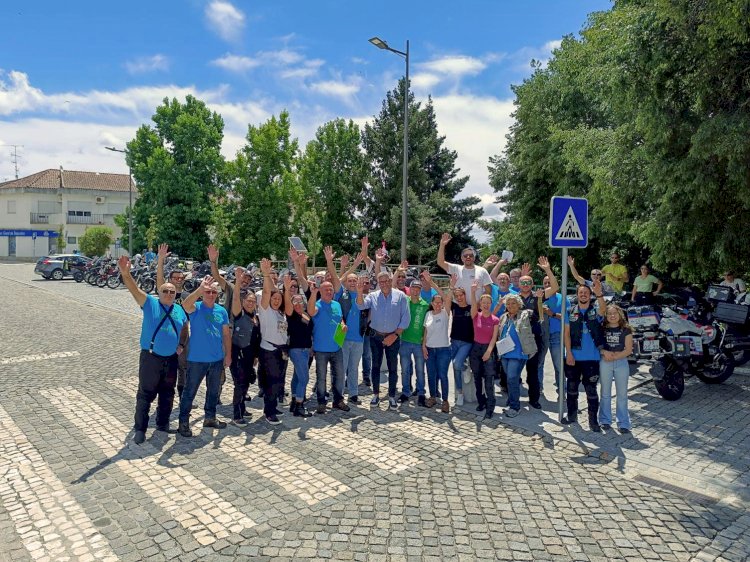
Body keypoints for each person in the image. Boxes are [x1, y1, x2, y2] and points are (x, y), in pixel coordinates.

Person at [118, 255, 187, 443]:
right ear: (159, 291)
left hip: (171, 358)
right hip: (151, 357)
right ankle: (140, 428)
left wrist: (181, 345)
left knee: (168, 392)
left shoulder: (179, 310)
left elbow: (185, 329)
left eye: (172, 292)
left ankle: (163, 423)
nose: (168, 294)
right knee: (145, 393)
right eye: (165, 291)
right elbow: (133, 288)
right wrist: (126, 273)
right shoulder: (150, 303)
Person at [177, 275, 232, 437]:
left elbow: (226, 335)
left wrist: (228, 355)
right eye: (208, 292)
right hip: (196, 359)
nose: (211, 295)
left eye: (214, 292)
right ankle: (183, 422)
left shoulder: (221, 311)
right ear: (203, 293)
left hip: (216, 359)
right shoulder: (197, 307)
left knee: (213, 391)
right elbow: (185, 304)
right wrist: (199, 289)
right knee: (190, 392)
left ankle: (210, 417)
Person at [356, 271, 411, 410]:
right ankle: (375, 394)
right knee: (375, 366)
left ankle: (392, 396)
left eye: (387, 281)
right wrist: (359, 291)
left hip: (394, 337)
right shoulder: (372, 296)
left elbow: (406, 318)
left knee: (393, 368)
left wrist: (395, 335)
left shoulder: (401, 296)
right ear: (378, 283)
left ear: (391, 280)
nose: (384, 284)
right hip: (376, 337)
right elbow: (361, 306)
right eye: (381, 282)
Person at [563, 281, 608, 432]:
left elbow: (604, 308)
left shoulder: (595, 311)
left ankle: (593, 421)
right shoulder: (570, 311)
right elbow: (567, 334)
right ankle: (572, 415)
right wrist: (568, 353)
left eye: (586, 293)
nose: (583, 295)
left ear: (590, 295)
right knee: (571, 388)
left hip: (592, 358)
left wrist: (599, 293)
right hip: (573, 357)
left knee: (591, 391)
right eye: (581, 292)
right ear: (577, 295)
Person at [517, 257, 559, 409]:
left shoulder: (538, 296)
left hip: (535, 338)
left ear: (533, 284)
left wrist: (547, 269)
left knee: (533, 371)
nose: (526, 284)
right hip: (517, 339)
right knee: (514, 371)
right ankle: (513, 399)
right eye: (523, 282)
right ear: (518, 284)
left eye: (528, 282)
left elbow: (555, 287)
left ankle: (534, 399)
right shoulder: (515, 297)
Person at [308, 276, 349, 414]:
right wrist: (313, 294)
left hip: (336, 347)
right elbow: (311, 311)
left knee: (339, 376)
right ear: (320, 291)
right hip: (321, 349)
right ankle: (321, 402)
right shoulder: (317, 305)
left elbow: (340, 319)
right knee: (321, 378)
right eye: (326, 289)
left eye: (331, 289)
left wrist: (343, 325)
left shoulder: (336, 304)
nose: (329, 291)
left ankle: (338, 400)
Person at [257, 258, 289, 425]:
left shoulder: (281, 313)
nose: (276, 300)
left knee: (278, 381)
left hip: (281, 351)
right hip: (268, 350)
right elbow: (267, 292)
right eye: (274, 298)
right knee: (272, 381)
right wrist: (266, 274)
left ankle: (273, 406)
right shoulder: (265, 309)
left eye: (279, 299)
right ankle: (269, 412)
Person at [228, 267, 260, 425]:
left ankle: (242, 407)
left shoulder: (256, 317)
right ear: (243, 302)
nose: (250, 303)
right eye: (248, 301)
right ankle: (236, 414)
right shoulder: (239, 314)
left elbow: (255, 339)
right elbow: (234, 299)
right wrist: (238, 282)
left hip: (249, 356)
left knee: (246, 383)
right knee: (239, 384)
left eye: (253, 301)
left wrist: (255, 356)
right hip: (237, 354)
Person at [497, 294, 537, 418]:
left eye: (513, 303)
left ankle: (515, 406)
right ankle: (511, 401)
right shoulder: (504, 317)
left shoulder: (524, 315)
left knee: (512, 378)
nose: (510, 306)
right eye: (508, 304)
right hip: (505, 353)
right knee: (510, 378)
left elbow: (535, 315)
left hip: (519, 353)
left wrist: (538, 301)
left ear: (519, 304)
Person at [282, 274, 314, 418]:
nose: (298, 304)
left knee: (297, 376)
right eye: (295, 302)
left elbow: (310, 333)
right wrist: (288, 290)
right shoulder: (291, 315)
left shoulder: (307, 315)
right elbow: (288, 305)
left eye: (300, 301)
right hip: (296, 349)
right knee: (304, 378)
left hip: (307, 350)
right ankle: (300, 405)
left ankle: (295, 401)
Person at [598, 304, 633, 433]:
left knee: (622, 394)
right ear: (606, 316)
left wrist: (617, 356)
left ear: (619, 314)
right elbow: (597, 344)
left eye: (615, 313)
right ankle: (605, 420)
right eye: (609, 313)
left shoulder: (626, 329)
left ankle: (623, 422)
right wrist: (604, 353)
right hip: (605, 361)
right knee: (605, 392)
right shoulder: (602, 328)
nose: (612, 316)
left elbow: (628, 349)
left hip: (621, 362)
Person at [335, 271, 369, 405]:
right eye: (350, 280)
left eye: (355, 280)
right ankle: (339, 394)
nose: (353, 282)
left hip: (359, 339)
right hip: (343, 337)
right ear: (346, 283)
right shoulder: (341, 296)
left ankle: (353, 394)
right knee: (341, 368)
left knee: (354, 368)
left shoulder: (364, 297)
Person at [422, 278, 454, 413]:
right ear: (432, 303)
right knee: (431, 374)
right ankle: (433, 396)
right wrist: (423, 346)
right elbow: (425, 331)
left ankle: (445, 400)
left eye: (440, 302)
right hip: (429, 349)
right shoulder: (428, 314)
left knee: (442, 375)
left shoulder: (445, 313)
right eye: (436, 302)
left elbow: (447, 297)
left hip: (443, 350)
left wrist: (431, 282)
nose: (438, 304)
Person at [470, 281, 500, 420]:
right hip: (476, 349)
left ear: (491, 304)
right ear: (480, 305)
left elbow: (494, 338)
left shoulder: (495, 319)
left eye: (488, 302)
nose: (486, 305)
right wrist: (473, 291)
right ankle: (481, 402)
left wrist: (489, 352)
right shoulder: (476, 315)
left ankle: (490, 407)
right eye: (484, 302)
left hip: (488, 350)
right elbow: (473, 304)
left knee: (489, 380)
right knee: (477, 378)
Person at [398, 277, 431, 406]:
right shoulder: (404, 301)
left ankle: (421, 392)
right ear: (409, 289)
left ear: (420, 290)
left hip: (418, 343)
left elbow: (427, 325)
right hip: (404, 341)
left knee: (420, 370)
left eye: (418, 289)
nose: (415, 291)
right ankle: (406, 392)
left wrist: (424, 342)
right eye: (413, 288)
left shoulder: (425, 305)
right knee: (405, 369)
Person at [437, 232, 492, 303]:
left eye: (471, 255)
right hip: (458, 308)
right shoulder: (456, 268)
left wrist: (478, 305)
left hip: (476, 308)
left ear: (474, 258)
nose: (468, 257)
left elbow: (488, 291)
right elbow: (440, 262)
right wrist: (442, 245)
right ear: (462, 258)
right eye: (465, 256)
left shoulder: (482, 270)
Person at [449, 285, 473, 407]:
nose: (459, 298)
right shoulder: (454, 307)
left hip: (467, 342)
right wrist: (432, 282)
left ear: (465, 295)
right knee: (454, 367)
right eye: (456, 296)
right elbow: (443, 296)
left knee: (457, 364)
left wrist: (473, 290)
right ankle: (459, 393)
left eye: (461, 295)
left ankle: (465, 368)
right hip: (454, 341)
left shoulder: (471, 308)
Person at [540, 276, 563, 390]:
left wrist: (551, 313)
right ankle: (538, 390)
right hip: (541, 335)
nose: (548, 284)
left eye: (550, 282)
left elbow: (567, 317)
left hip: (556, 335)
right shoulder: (540, 297)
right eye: (545, 283)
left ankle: (561, 390)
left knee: (559, 365)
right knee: (539, 364)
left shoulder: (562, 298)